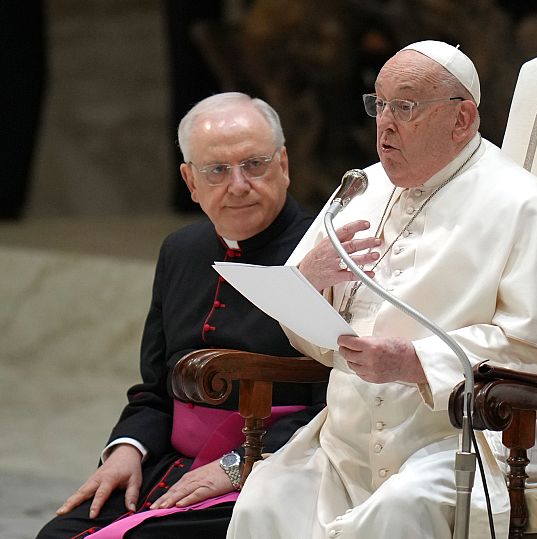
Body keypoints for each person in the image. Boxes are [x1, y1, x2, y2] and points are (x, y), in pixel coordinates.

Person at [227, 41, 537, 538]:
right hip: (348, 443)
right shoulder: (359, 189)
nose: (385, 123)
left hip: (476, 440)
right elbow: (314, 336)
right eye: (379, 104)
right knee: (265, 502)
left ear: (461, 119)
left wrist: (414, 361)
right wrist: (308, 282)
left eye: (406, 107)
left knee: (401, 508)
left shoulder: (527, 206)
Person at [37, 92, 326, 538]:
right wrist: (127, 449)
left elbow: (340, 400)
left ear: (283, 165)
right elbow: (154, 389)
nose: (239, 184)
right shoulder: (181, 251)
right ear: (190, 182)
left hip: (276, 470)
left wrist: (236, 465)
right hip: (172, 465)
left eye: (255, 164)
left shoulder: (325, 251)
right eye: (217, 170)